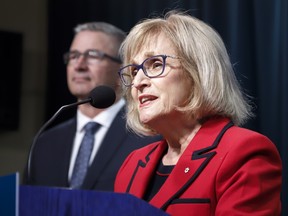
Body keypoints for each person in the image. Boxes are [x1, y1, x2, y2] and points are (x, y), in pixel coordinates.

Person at [114, 11, 282, 215]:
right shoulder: (132, 164)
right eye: (134, 71)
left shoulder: (243, 152)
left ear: (198, 72)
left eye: (156, 64)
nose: (139, 82)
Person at [23, 22, 161, 191]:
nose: (79, 65)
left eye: (93, 55)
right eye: (73, 56)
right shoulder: (44, 142)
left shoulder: (149, 134)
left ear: (122, 70)